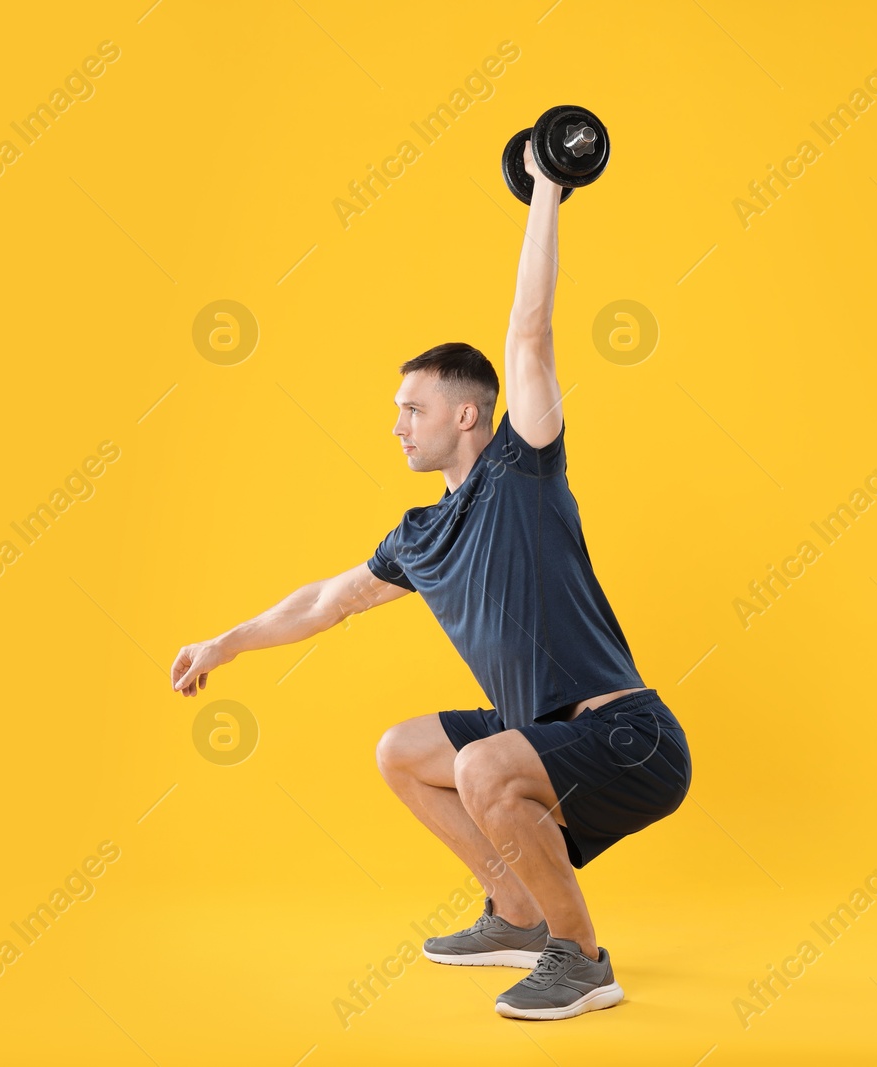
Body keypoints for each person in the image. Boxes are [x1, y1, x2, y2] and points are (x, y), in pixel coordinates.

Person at [170, 140, 690, 1021]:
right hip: (540, 735)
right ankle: (520, 914)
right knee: (404, 751)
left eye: (412, 409)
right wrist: (223, 643)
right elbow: (322, 603)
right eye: (395, 413)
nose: (399, 427)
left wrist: (547, 190)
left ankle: (584, 958)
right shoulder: (419, 535)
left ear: (467, 413)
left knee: (485, 764)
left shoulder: (522, 472)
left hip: (626, 737)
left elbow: (531, 331)